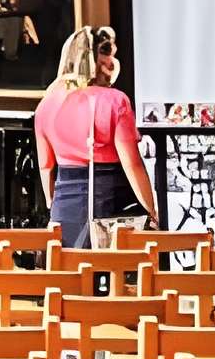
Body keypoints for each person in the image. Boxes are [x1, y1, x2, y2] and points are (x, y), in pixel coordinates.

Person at [33, 25, 156, 247]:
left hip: (64, 204)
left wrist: (53, 205)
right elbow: (132, 164)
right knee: (113, 274)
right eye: (109, 56)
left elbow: (45, 167)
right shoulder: (115, 101)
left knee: (70, 273)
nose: (112, 63)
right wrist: (151, 209)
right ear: (97, 60)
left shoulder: (47, 104)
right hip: (108, 203)